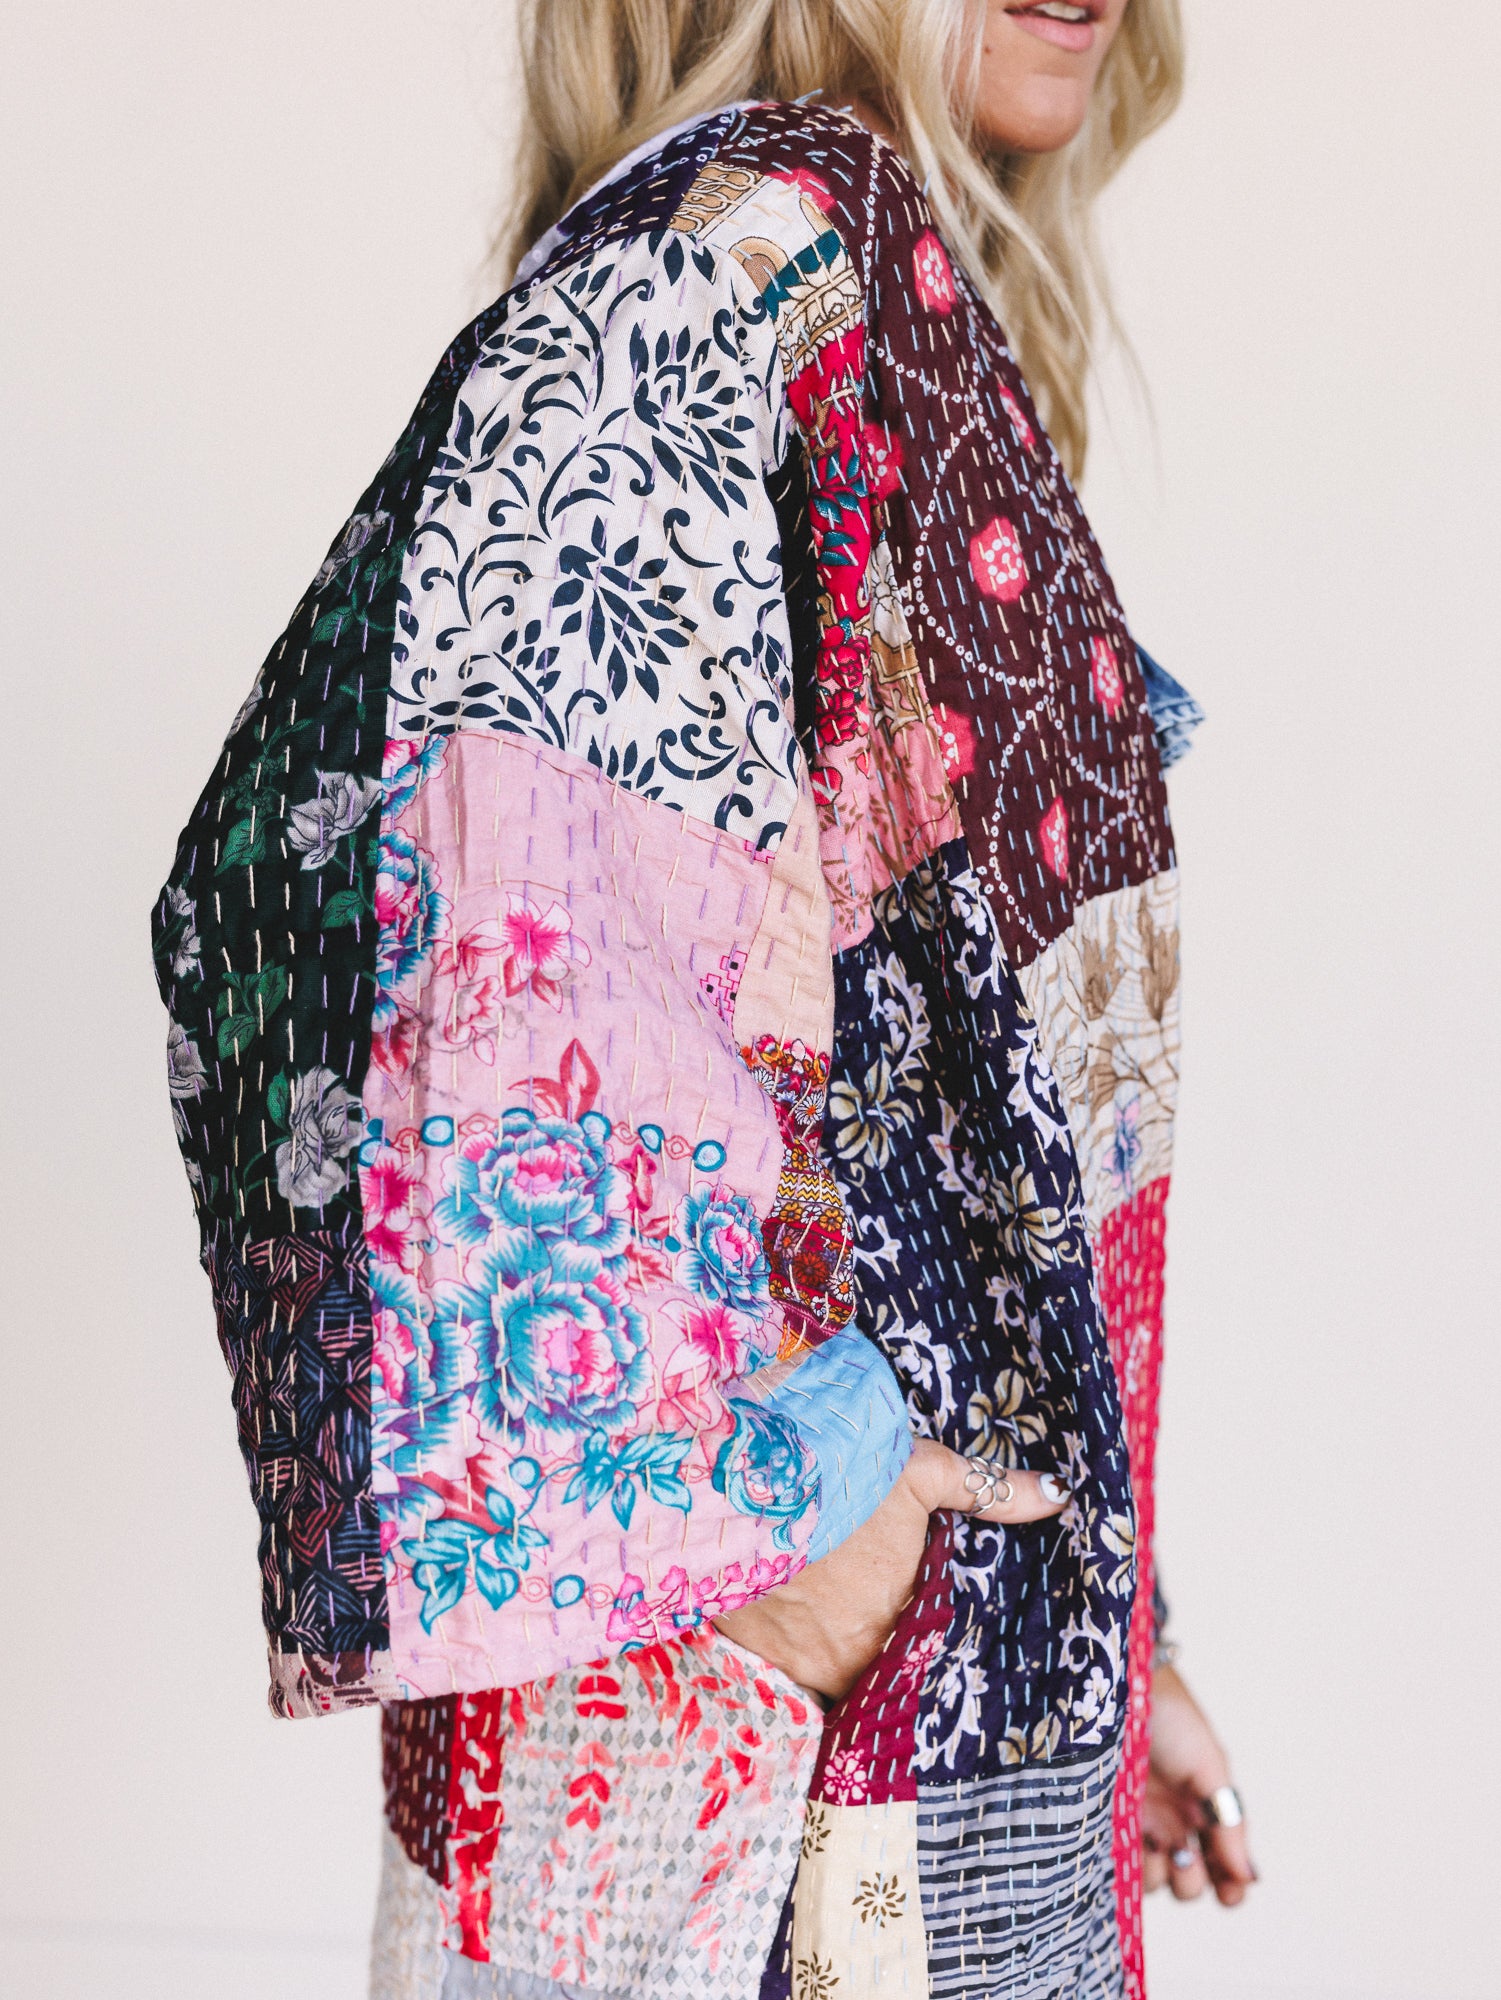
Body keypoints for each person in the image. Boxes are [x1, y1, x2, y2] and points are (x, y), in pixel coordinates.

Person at [151, 1, 1256, 1993]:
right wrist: (789, 1529)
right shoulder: (713, 271)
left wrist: (1122, 1625)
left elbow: (964, 1108)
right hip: (740, 1728)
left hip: (942, 1683)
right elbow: (353, 897)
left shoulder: (867, 293)